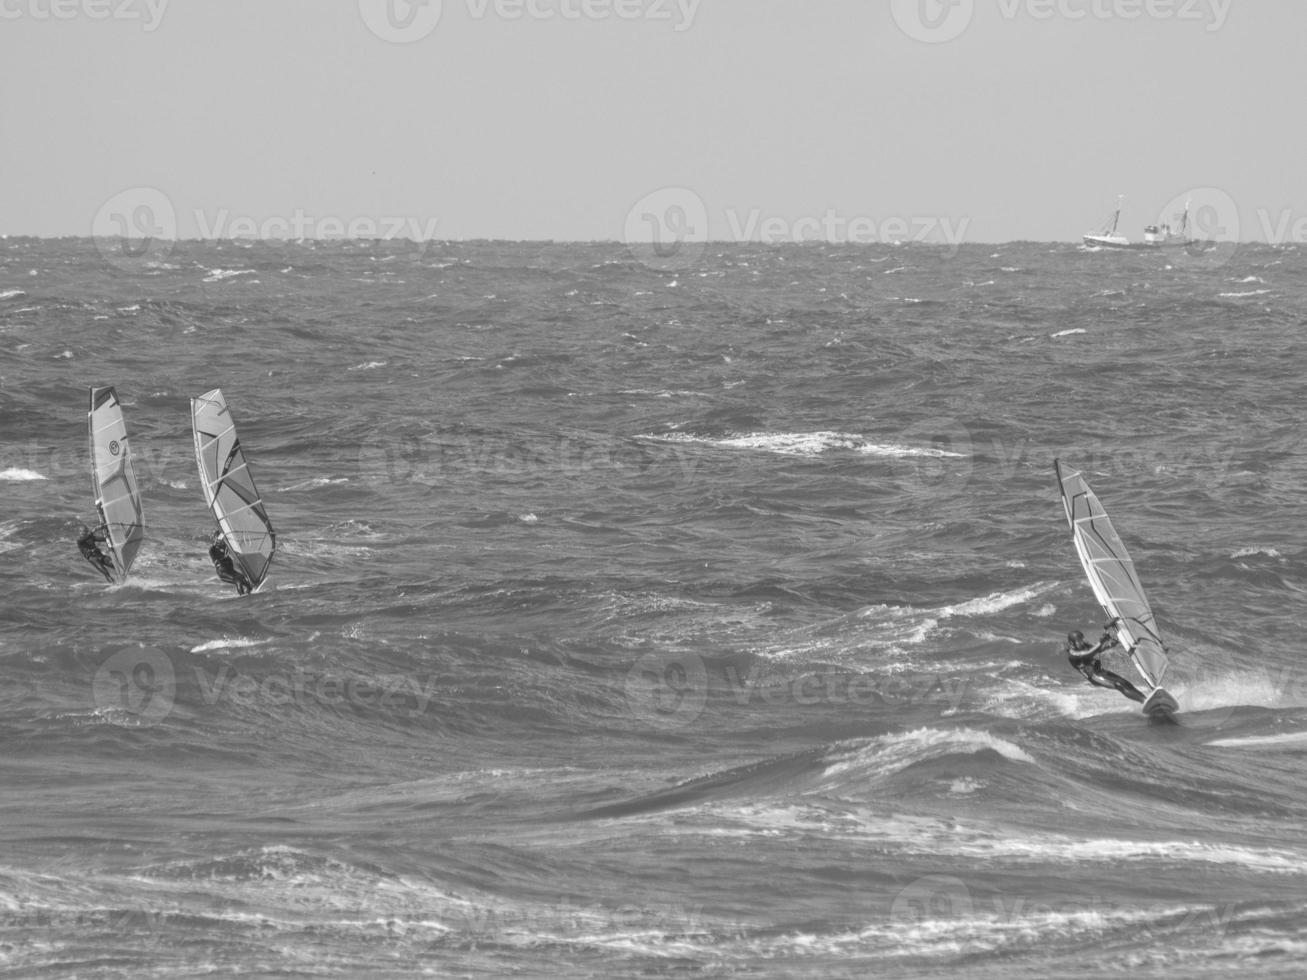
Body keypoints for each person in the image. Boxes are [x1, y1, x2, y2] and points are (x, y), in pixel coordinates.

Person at [1064, 626, 1145, 703]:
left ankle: (1146, 699)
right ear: (1072, 643)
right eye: (1079, 641)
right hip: (1094, 677)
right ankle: (1143, 701)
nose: (1081, 642)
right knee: (1119, 685)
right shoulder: (1073, 654)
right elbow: (1089, 653)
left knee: (1124, 682)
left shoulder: (1084, 645)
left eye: (1082, 639)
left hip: (1101, 672)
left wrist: (1110, 644)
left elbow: (1098, 650)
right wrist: (1102, 641)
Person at [208, 531, 252, 595]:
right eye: (221, 539)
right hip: (223, 572)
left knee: (244, 580)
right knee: (238, 580)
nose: (223, 541)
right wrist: (224, 557)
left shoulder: (226, 546)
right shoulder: (212, 549)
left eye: (223, 539)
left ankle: (249, 593)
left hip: (231, 570)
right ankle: (242, 597)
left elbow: (234, 547)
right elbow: (216, 559)